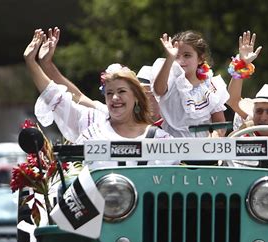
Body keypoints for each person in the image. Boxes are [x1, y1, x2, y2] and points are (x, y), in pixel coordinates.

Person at [23, 29, 174, 168]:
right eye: (109, 93)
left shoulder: (165, 135)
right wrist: (33, 63)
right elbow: (58, 95)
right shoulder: (92, 132)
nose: (115, 98)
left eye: (121, 91)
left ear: (136, 97)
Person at [151, 30, 229, 138]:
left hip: (203, 148)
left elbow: (219, 122)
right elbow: (158, 90)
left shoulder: (211, 87)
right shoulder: (170, 80)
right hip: (171, 147)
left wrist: (215, 134)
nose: (180, 60)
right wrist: (169, 59)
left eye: (187, 55)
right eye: (176, 56)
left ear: (200, 59)